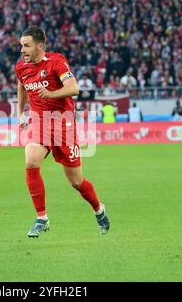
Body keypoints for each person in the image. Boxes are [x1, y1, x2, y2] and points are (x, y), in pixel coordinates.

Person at [15, 26, 110, 238]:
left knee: (76, 181)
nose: (22, 50)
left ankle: (99, 209)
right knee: (31, 161)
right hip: (39, 121)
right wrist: (21, 113)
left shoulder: (56, 61)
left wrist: (50, 94)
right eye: (21, 45)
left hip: (63, 124)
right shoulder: (21, 68)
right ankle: (42, 218)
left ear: (40, 46)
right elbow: (21, 87)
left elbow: (74, 88)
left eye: (26, 45)